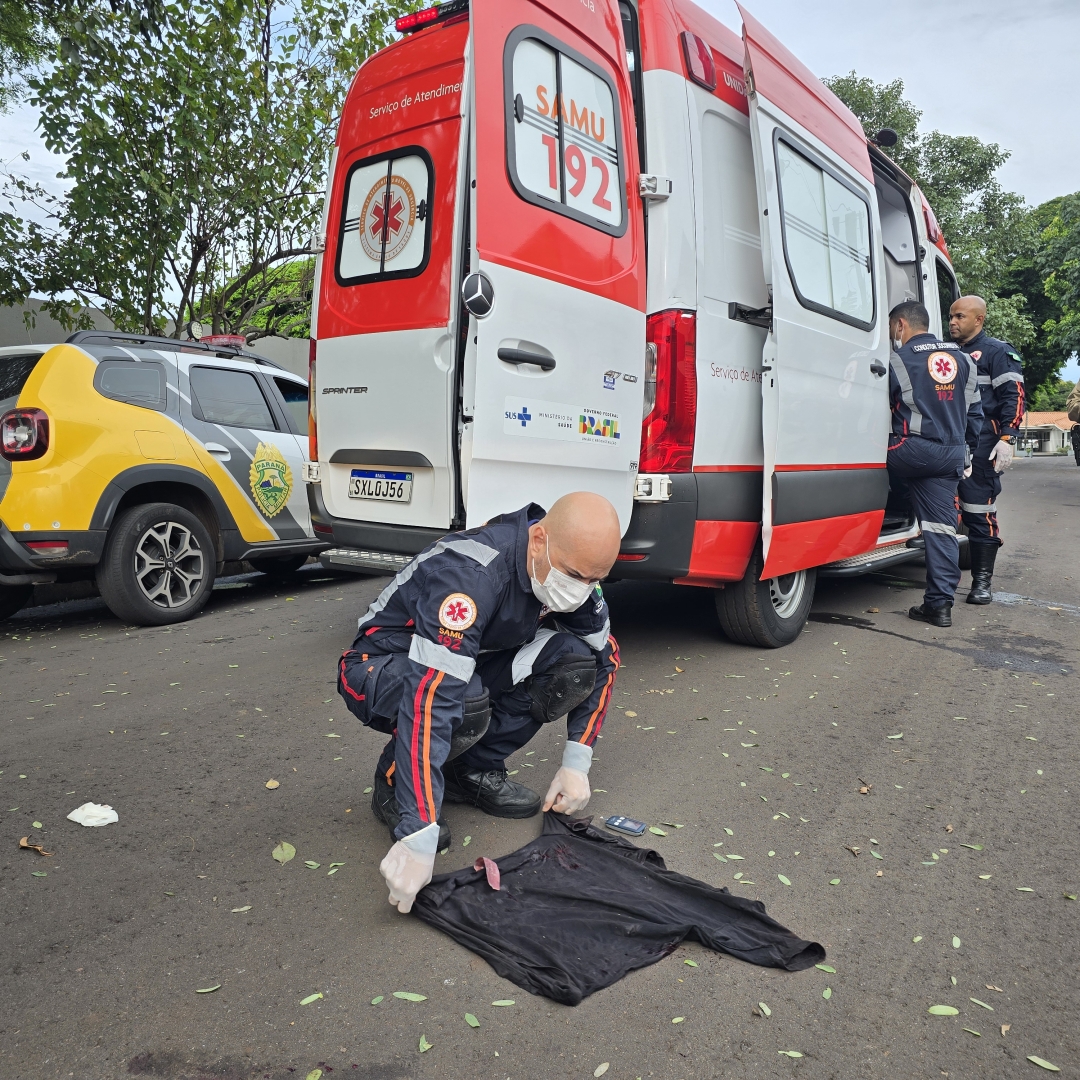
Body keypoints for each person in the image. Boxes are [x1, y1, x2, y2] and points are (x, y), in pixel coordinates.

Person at [337, 492, 622, 914]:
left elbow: (604, 658)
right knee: (460, 700)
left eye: (594, 579)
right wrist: (419, 833)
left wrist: (576, 763)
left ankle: (468, 771)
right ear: (538, 539)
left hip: (467, 664)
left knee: (572, 663)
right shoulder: (470, 577)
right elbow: (430, 699)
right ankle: (394, 784)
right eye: (574, 574)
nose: (580, 592)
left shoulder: (574, 578)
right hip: (380, 664)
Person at [887, 300, 983, 627]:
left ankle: (885, 516)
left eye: (892, 330)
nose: (893, 337)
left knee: (860, 456)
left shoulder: (898, 359)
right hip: (951, 455)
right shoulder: (966, 361)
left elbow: (873, 409)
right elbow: (975, 416)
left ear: (901, 325)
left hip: (910, 451)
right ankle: (940, 606)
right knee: (942, 529)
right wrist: (966, 454)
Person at [948, 296, 1026, 604]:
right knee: (943, 511)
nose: (953, 322)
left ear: (979, 319)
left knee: (979, 512)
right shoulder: (946, 353)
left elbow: (1014, 396)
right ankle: (941, 583)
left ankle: (981, 584)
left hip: (982, 443)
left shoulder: (997, 352)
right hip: (948, 442)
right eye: (951, 316)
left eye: (960, 317)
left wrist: (1007, 438)